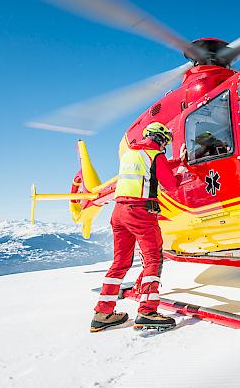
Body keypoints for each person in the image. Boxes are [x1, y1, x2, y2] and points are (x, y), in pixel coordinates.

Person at [90, 122, 186, 332]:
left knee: (120, 262)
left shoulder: (131, 155)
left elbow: (146, 174)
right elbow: (170, 185)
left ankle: (102, 313)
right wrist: (181, 170)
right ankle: (147, 311)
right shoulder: (155, 155)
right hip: (140, 212)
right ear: (160, 139)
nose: (164, 147)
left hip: (118, 213)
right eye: (165, 143)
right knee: (153, 258)